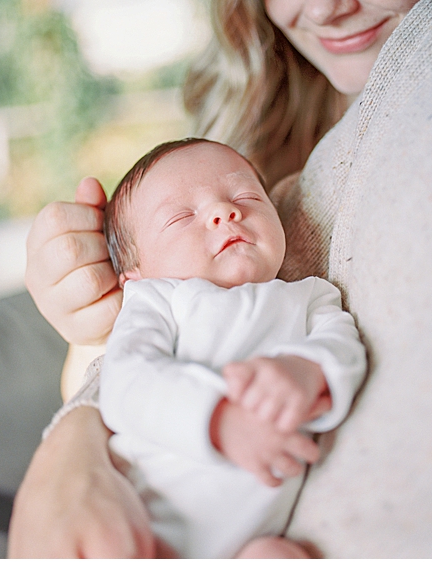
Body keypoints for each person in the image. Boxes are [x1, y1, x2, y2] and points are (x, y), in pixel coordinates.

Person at [11, 0, 432, 559]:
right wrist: (86, 316)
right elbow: (112, 378)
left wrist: (307, 380)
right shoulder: (228, 157)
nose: (323, 3)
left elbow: (338, 347)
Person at [98, 138, 366, 558]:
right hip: (145, 521)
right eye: (181, 217)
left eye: (244, 196)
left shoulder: (310, 296)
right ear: (136, 276)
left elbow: (345, 348)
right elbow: (125, 382)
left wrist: (306, 370)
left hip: (250, 542)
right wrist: (218, 419)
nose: (226, 212)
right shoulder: (158, 299)